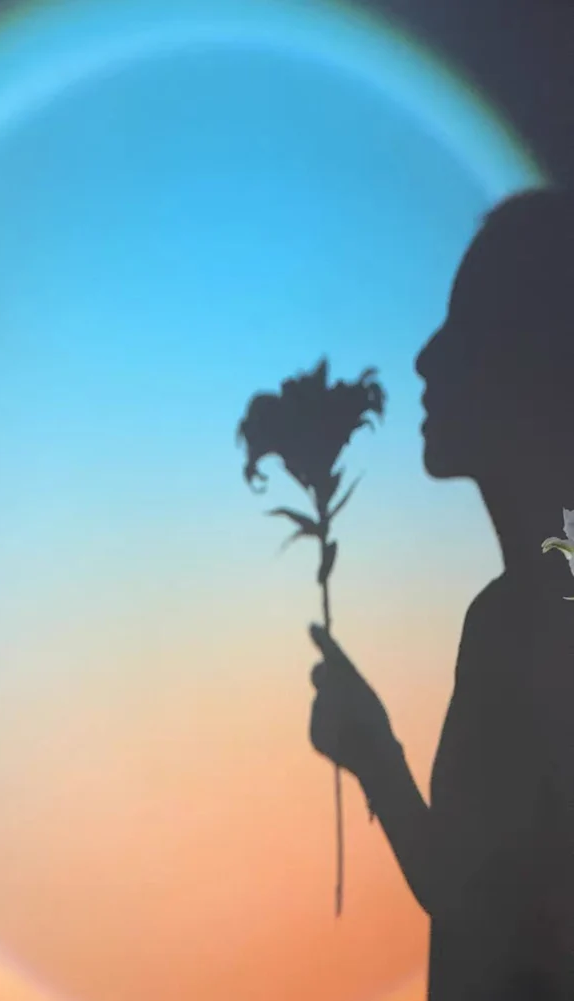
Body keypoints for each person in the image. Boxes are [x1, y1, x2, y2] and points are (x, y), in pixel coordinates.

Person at [308, 187, 574, 1000]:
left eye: (462, 328)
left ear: (525, 365)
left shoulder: (529, 620)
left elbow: (486, 916)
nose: (424, 358)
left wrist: (375, 757)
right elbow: (480, 890)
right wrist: (373, 753)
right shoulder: (530, 603)